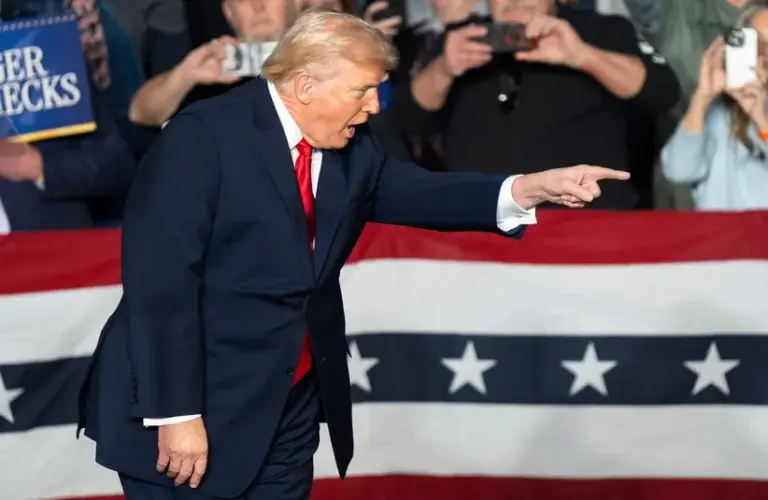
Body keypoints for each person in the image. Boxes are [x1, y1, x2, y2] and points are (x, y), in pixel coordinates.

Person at [77, 8, 630, 500]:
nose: (373, 106)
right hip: (188, 404)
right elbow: (160, 288)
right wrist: (176, 414)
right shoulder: (201, 140)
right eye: (362, 90)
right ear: (305, 84)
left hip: (287, 404)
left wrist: (529, 188)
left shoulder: (350, 146)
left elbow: (419, 191)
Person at [660, 17, 768, 210]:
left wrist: (761, 120)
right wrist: (701, 99)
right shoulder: (719, 110)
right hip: (719, 234)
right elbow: (678, 171)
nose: (765, 53)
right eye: (757, 42)